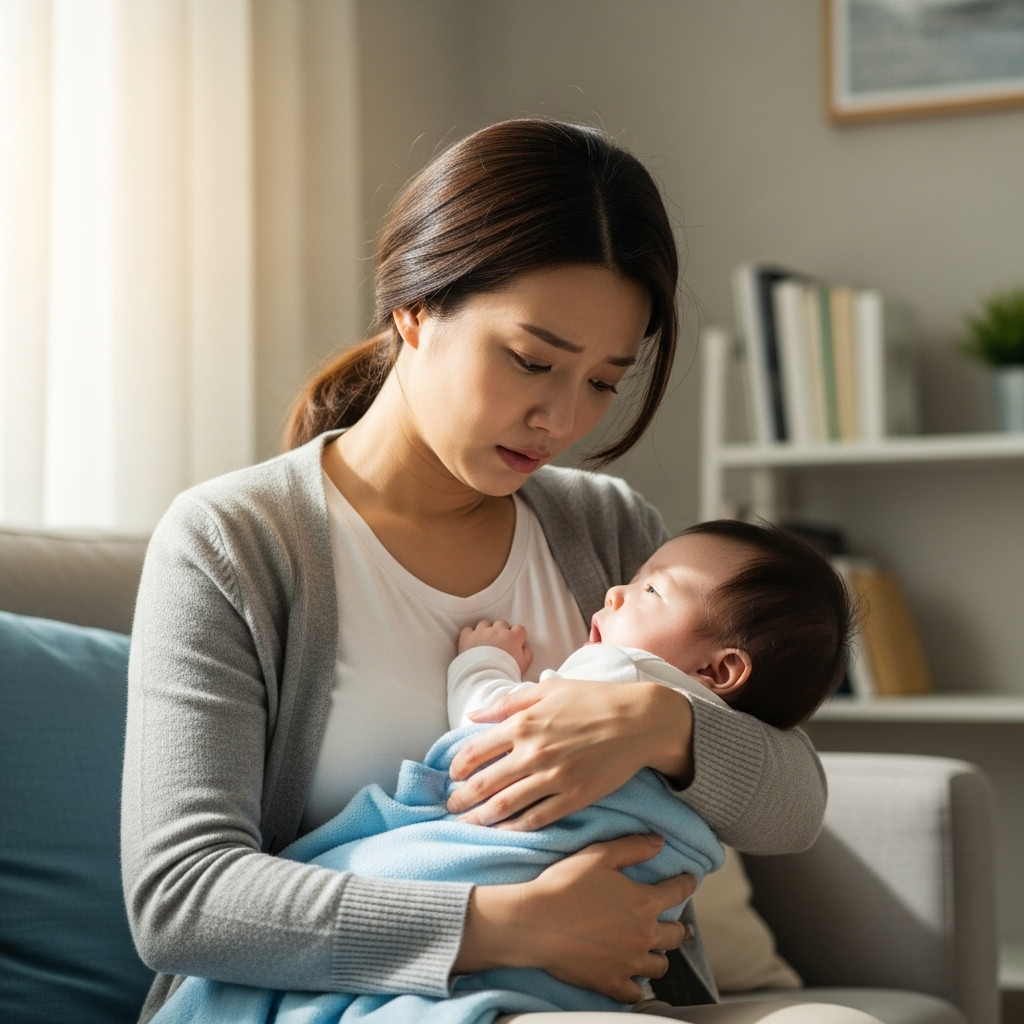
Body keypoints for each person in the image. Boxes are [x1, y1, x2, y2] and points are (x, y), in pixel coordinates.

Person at [122, 118, 876, 1024]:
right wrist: (504, 925)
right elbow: (182, 899)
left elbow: (794, 806)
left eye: (603, 381)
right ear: (414, 308)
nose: (559, 419)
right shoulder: (234, 542)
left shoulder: (604, 527)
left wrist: (660, 721)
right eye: (531, 361)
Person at [449, 520, 854, 734]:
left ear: (716, 671)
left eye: (652, 588)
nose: (614, 593)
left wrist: (486, 659)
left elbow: (489, 728)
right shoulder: (706, 741)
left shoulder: (627, 677)